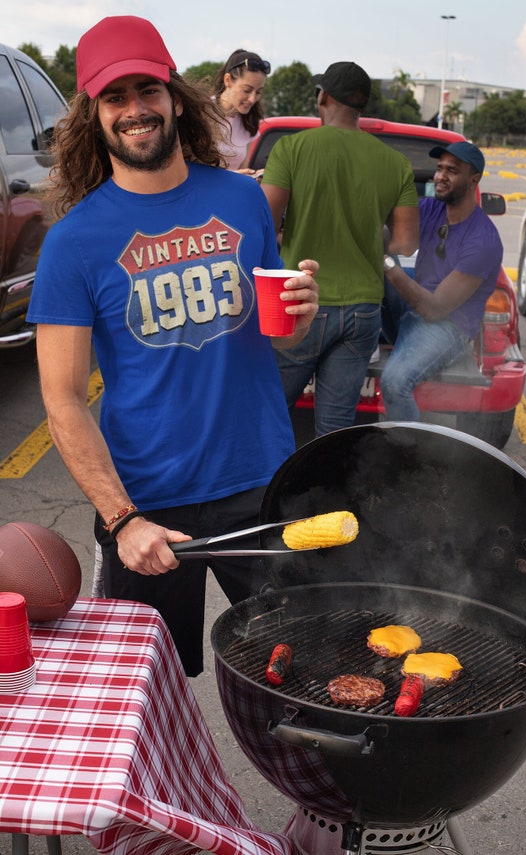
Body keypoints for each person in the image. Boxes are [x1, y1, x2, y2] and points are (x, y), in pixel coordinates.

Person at [26, 15, 319, 678]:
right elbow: (63, 400)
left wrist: (301, 312)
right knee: (144, 692)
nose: (135, 110)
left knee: (297, 672)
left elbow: (279, 329)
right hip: (147, 502)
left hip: (260, 484)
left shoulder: (243, 203)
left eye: (147, 89)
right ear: (93, 114)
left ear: (174, 96)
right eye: (115, 97)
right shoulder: (74, 242)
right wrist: (122, 518)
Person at [261, 61, 419, 438]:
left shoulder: (291, 149)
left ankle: (263, 493)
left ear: (324, 98)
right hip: (364, 311)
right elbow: (406, 243)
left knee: (269, 412)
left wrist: (288, 236)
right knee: (334, 429)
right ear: (361, 106)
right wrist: (365, 235)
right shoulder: (396, 164)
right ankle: (324, 495)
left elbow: (262, 223)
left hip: (302, 305)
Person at [380, 141, 503, 422]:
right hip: (412, 311)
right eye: (438, 169)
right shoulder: (430, 209)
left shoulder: (483, 240)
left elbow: (435, 309)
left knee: (395, 383)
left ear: (474, 179)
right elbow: (388, 225)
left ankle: (406, 456)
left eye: (451, 170)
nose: (440, 176)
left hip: (448, 327)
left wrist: (385, 262)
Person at [212, 49, 270, 175]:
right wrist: (234, 177)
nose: (252, 99)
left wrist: (253, 176)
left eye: (259, 92)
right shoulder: (202, 113)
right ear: (227, 80)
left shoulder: (249, 122)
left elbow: (242, 170)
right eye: (247, 90)